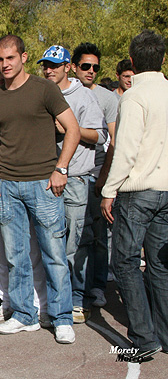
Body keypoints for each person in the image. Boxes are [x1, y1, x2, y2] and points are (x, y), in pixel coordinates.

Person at [0, 35, 80, 344]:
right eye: (0, 59)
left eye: (10, 58)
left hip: (44, 184)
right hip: (7, 186)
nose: (4, 64)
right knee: (15, 256)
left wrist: (60, 169)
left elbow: (73, 130)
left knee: (54, 254)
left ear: (24, 57)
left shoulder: (45, 89)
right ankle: (24, 315)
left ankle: (62, 317)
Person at [101, 29, 168, 361]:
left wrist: (108, 190)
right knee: (159, 264)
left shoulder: (133, 96)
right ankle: (164, 333)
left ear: (132, 60)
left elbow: (124, 150)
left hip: (138, 190)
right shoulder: (167, 91)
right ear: (162, 58)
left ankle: (144, 336)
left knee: (125, 261)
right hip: (166, 189)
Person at [38, 45, 107, 323]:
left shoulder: (84, 96)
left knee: (75, 245)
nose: (49, 70)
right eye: (45, 65)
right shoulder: (41, 93)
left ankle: (77, 299)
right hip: (44, 179)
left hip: (76, 180)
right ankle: (53, 300)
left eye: (55, 65)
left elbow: (100, 136)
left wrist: (67, 127)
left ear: (68, 67)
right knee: (49, 244)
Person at [71, 43, 121, 309]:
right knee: (75, 236)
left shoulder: (107, 98)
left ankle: (98, 286)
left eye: (96, 67)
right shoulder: (64, 93)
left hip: (96, 176)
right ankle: (73, 289)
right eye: (86, 66)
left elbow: (113, 141)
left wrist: (104, 178)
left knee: (99, 237)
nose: (91, 71)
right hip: (71, 175)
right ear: (74, 66)